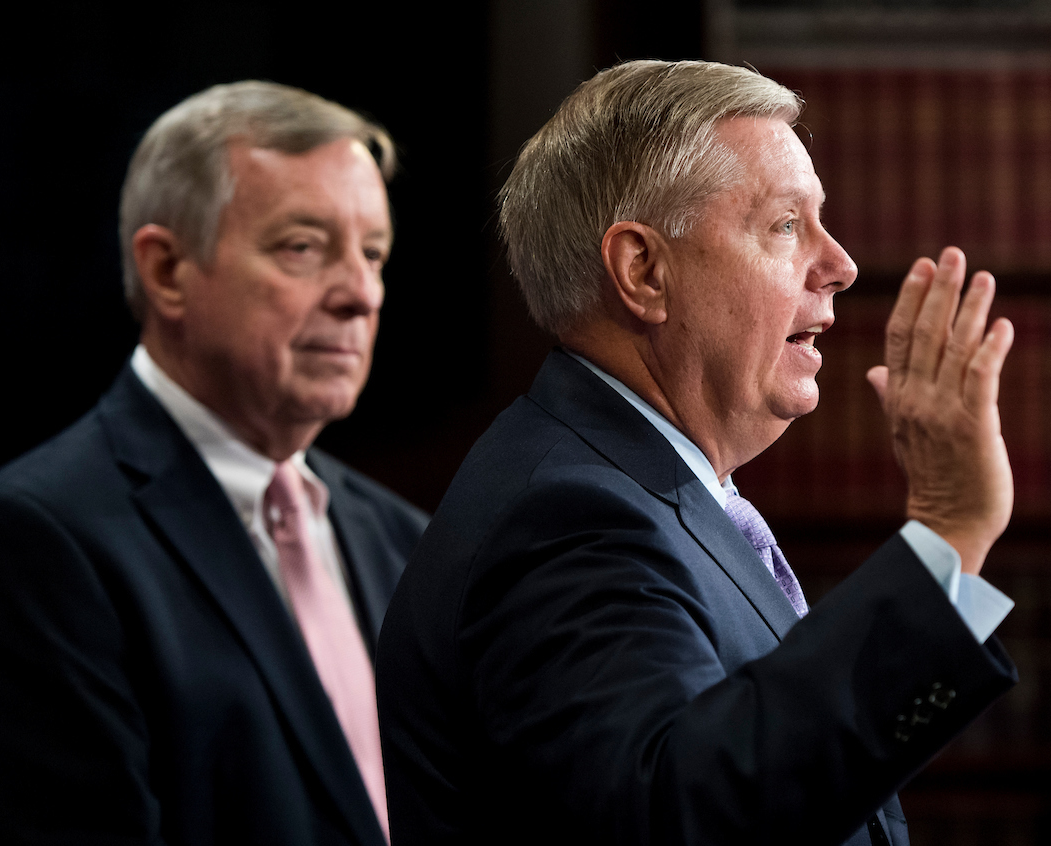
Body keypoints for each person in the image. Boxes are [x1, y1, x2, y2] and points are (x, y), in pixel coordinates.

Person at [376, 60, 1017, 846]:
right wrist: (948, 529)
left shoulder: (639, 491)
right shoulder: (569, 518)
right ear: (644, 271)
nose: (840, 265)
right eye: (786, 225)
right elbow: (688, 813)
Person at [0, 81, 427, 846]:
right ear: (166, 271)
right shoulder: (32, 545)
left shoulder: (406, 542)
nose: (361, 294)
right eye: (303, 247)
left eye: (373, 253)